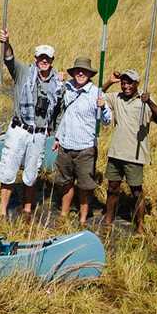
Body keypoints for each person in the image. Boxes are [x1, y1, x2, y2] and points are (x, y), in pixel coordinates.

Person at [0, 33, 62, 218]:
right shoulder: (23, 71)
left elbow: (59, 111)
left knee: (31, 174)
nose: (44, 61)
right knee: (9, 170)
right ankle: (2, 211)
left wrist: (56, 134)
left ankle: (27, 210)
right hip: (19, 129)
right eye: (41, 58)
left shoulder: (57, 82)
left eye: (47, 59)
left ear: (52, 60)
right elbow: (8, 58)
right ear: (35, 59)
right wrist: (7, 42)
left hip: (39, 134)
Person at [101, 70, 157, 230]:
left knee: (136, 191)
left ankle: (140, 225)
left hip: (135, 154)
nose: (126, 86)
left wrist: (149, 102)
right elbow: (98, 94)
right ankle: (108, 220)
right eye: (124, 82)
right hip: (116, 152)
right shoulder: (117, 97)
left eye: (130, 83)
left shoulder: (144, 99)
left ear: (137, 83)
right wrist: (110, 81)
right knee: (112, 187)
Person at [53, 56, 111, 225]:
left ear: (89, 74)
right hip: (65, 145)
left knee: (85, 187)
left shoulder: (96, 93)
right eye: (77, 70)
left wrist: (103, 107)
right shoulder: (68, 87)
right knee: (65, 182)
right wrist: (59, 82)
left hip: (85, 148)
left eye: (84, 71)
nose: (80, 73)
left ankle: (83, 219)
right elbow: (57, 104)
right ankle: (63, 215)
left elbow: (107, 121)